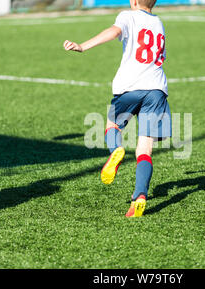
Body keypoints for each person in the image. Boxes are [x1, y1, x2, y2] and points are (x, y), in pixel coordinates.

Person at [64, 0, 171, 216]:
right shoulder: (159, 23)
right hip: (157, 89)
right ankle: (139, 196)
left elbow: (113, 32)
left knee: (112, 124)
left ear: (133, 1)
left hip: (130, 87)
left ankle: (116, 150)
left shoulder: (127, 16)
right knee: (145, 150)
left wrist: (83, 46)